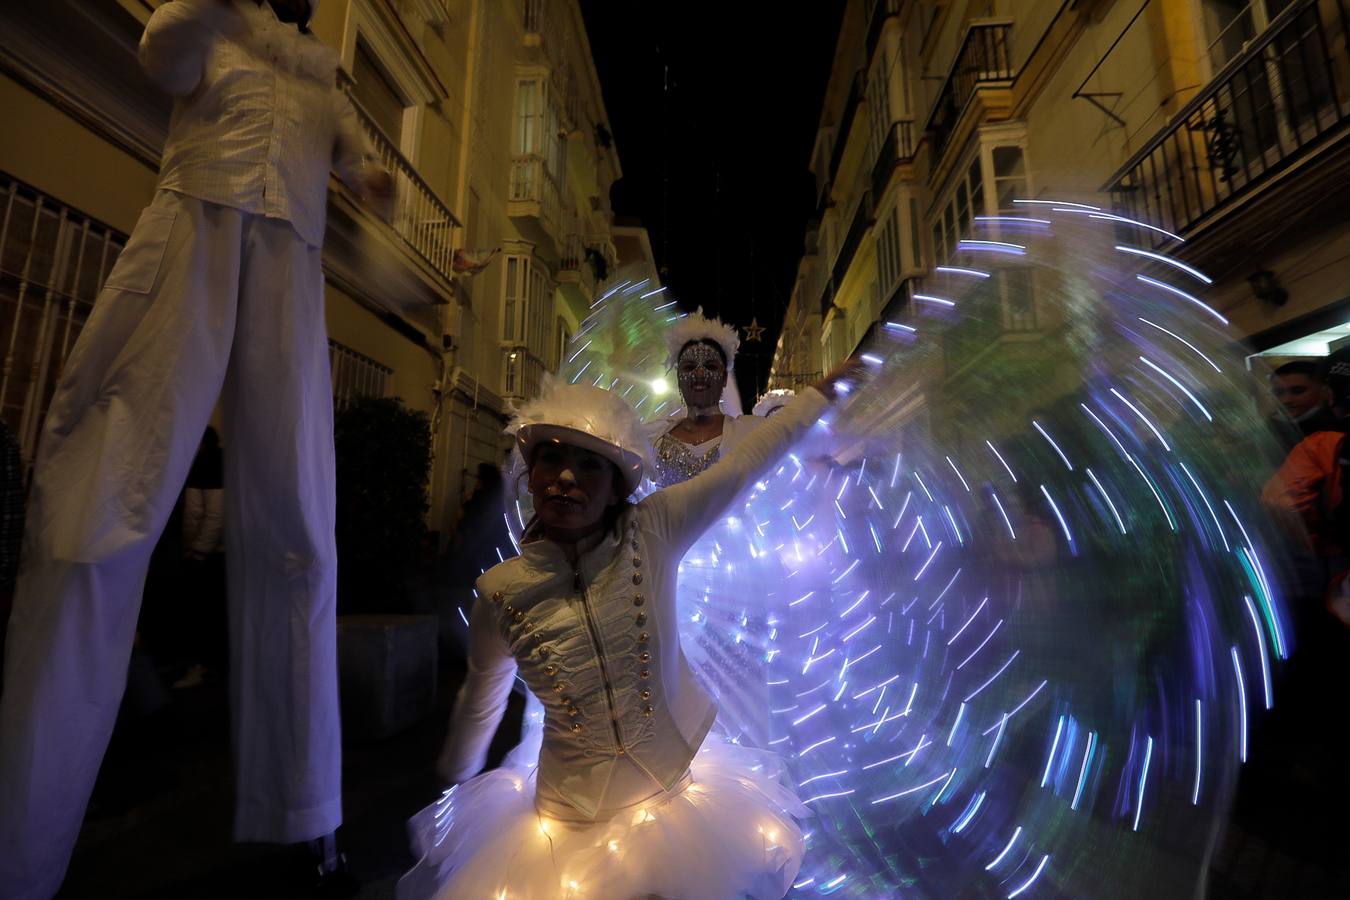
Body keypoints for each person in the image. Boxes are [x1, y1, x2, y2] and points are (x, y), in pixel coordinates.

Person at [0, 1, 391, 895]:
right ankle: (21, 845)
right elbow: (163, 59)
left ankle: (307, 813)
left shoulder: (321, 75)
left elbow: (356, 155)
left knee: (300, 534)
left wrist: (370, 183)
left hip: (291, 260)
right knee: (105, 503)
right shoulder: (210, 26)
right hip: (194, 226)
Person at [399, 359, 862, 900]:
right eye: (551, 458)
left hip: (678, 811)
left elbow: (746, 465)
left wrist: (818, 396)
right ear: (531, 474)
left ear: (618, 484)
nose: (566, 478)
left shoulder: (656, 529)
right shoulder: (500, 593)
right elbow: (483, 698)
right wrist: (456, 780)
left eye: (589, 464)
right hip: (559, 833)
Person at [649, 311, 763, 488]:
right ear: (678, 378)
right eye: (689, 367)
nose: (700, 374)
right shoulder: (653, 440)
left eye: (710, 366)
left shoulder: (751, 434)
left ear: (724, 378)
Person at [1269, 359, 1337, 439]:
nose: (1286, 400)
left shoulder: (1337, 429)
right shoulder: (1266, 432)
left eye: (1298, 391)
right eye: (1279, 393)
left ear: (1324, 390)